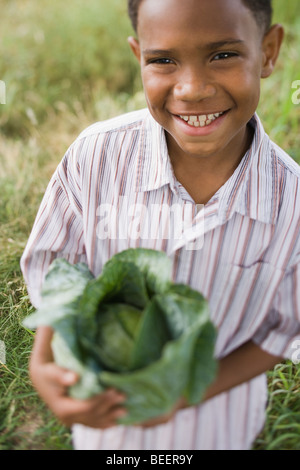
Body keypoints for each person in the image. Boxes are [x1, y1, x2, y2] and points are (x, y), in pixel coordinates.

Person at [20, 0, 300, 450]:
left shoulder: (293, 204)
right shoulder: (95, 159)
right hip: (106, 432)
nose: (191, 89)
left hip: (219, 428)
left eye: (223, 55)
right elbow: (58, 271)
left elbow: (281, 329)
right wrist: (41, 362)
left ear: (268, 51)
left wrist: (184, 393)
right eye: (163, 60)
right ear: (138, 57)